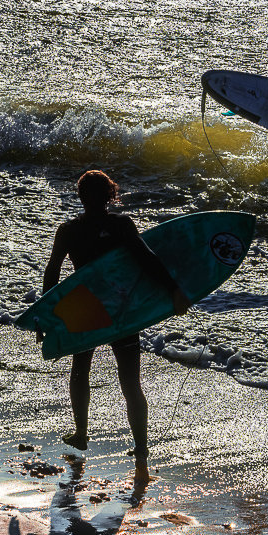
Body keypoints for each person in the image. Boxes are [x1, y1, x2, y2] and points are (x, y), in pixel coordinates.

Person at [41, 170, 190, 461]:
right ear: (111, 194)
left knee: (81, 371)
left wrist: (48, 316)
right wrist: (174, 290)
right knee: (130, 381)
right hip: (121, 310)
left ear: (81, 196)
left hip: (85, 310)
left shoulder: (68, 230)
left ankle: (82, 433)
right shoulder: (121, 225)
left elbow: (52, 274)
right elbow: (147, 260)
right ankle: (141, 447)